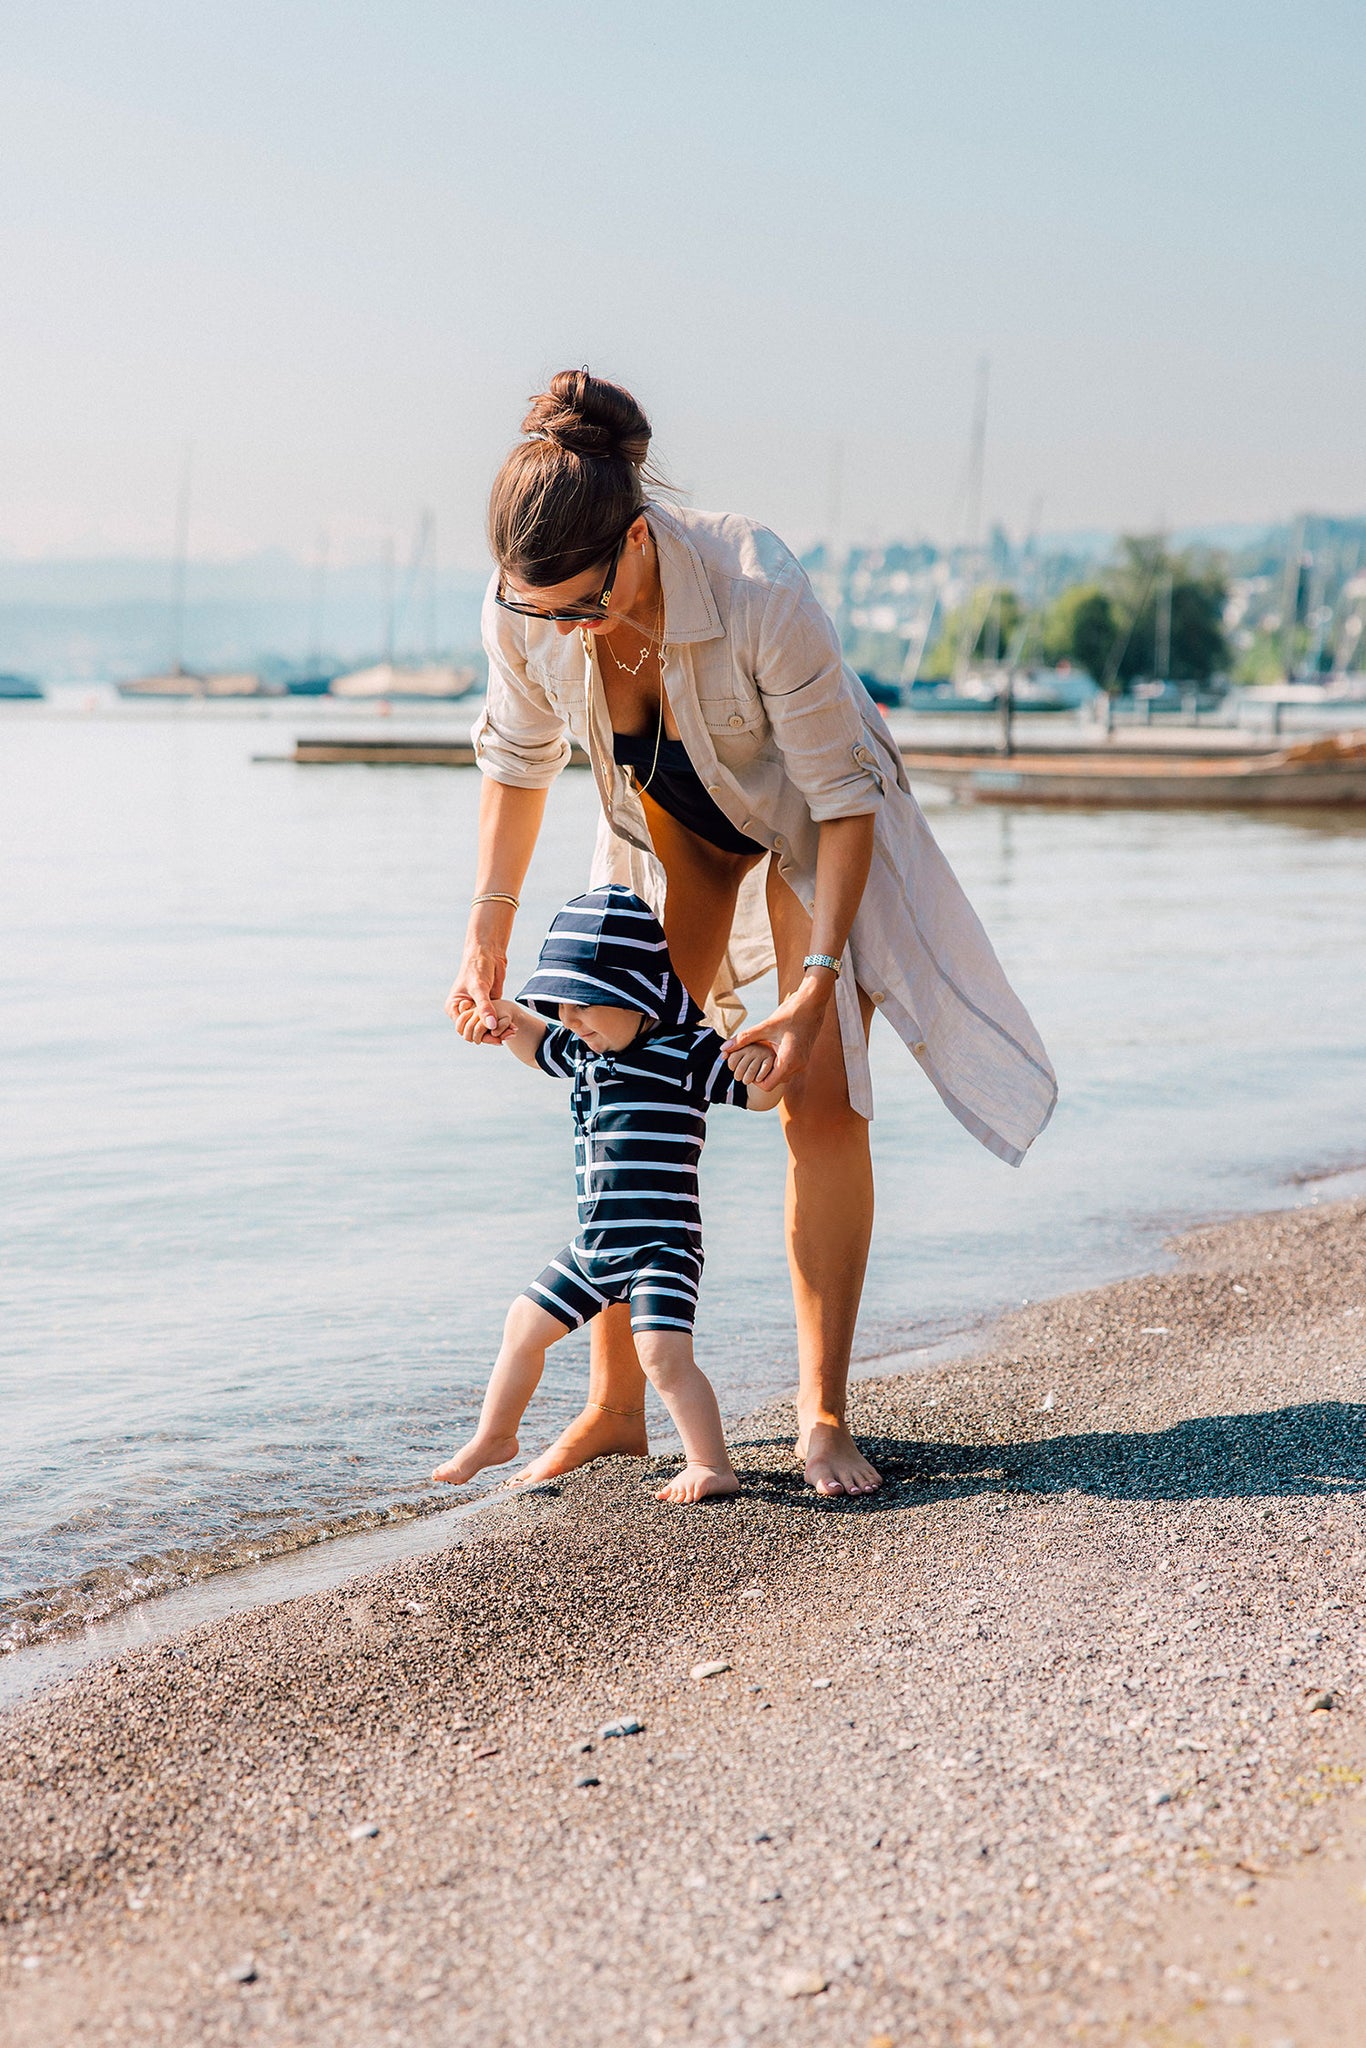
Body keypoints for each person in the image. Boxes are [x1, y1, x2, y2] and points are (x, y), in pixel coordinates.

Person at [447, 369, 1057, 1498]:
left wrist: (815, 979)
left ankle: (821, 1414)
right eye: (541, 609)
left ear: (636, 541)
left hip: (809, 835)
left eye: (582, 602)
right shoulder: (523, 603)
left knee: (816, 1088)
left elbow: (840, 798)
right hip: (667, 833)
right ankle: (614, 1406)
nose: (563, 626)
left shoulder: (756, 585)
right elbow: (515, 762)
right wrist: (486, 936)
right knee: (626, 1072)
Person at [432, 886, 782, 1504]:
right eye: (562, 1008)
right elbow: (535, 1042)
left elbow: (758, 1096)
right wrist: (503, 1016)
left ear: (636, 995)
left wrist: (762, 1062)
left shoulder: (688, 1052)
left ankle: (710, 1462)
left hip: (662, 1248)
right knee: (522, 1324)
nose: (570, 1020)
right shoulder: (585, 1050)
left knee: (663, 1356)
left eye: (584, 1005)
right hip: (595, 1247)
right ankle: (496, 1436)